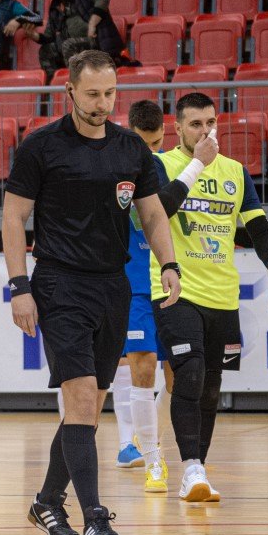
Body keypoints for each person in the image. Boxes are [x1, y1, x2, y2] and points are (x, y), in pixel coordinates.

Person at [2, 49, 181, 535]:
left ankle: (45, 501)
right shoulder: (40, 148)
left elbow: (151, 215)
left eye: (110, 94)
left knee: (90, 404)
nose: (103, 104)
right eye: (93, 94)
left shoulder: (131, 150)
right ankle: (95, 517)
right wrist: (20, 287)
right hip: (59, 284)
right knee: (80, 397)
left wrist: (169, 265)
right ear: (70, 92)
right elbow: (13, 218)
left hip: (113, 286)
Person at [151, 93, 268, 504]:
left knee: (211, 388)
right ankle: (189, 466)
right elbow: (158, 213)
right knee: (189, 372)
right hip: (175, 287)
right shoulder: (161, 164)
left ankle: (198, 472)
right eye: (195, 124)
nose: (205, 131)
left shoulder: (235, 172)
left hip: (222, 294)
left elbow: (261, 230)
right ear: (177, 128)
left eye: (210, 123)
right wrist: (198, 163)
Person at [114, 100, 169, 492]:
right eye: (146, 143)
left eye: (159, 142)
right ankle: (149, 456)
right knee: (140, 365)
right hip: (133, 284)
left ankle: (150, 439)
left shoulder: (169, 169)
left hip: (170, 281)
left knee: (177, 374)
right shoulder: (115, 167)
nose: (152, 151)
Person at [38, 0, 123, 74]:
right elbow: (49, 36)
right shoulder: (55, 6)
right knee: (46, 50)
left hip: (96, 42)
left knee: (68, 45)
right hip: (73, 46)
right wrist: (33, 34)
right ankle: (53, 87)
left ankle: (78, 83)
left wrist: (93, 22)